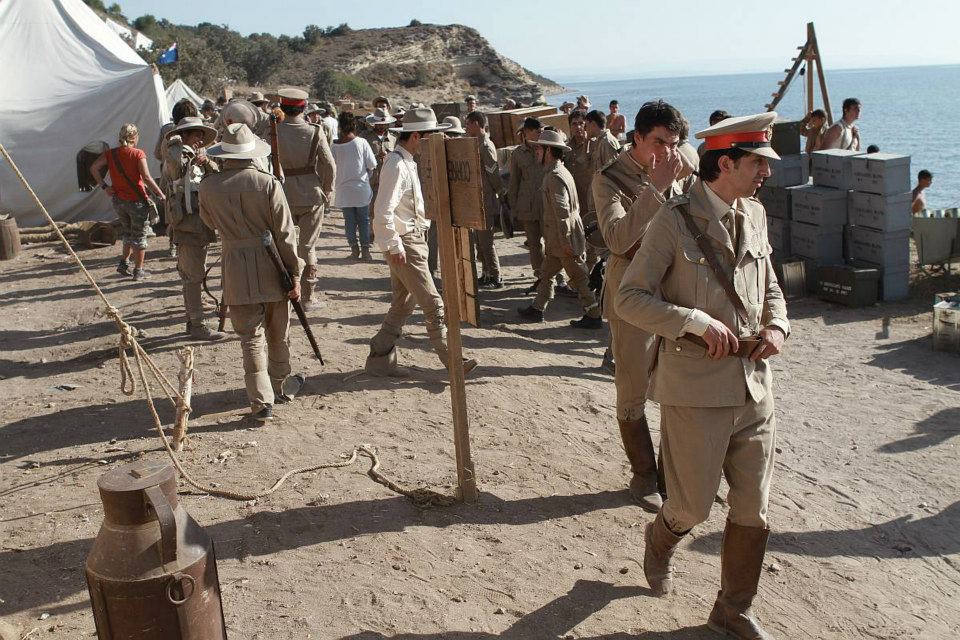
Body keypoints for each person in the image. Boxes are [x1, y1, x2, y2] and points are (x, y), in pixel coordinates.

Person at [617, 112, 790, 639]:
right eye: (758, 162)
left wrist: (778, 326)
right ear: (726, 161)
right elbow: (629, 298)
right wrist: (692, 320)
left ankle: (732, 610)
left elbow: (772, 289)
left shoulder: (756, 215)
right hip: (695, 390)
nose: (765, 172)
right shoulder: (673, 221)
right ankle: (661, 539)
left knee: (753, 511)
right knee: (691, 505)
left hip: (753, 386)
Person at [591, 100, 692, 512]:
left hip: (676, 287)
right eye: (660, 142)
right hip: (632, 289)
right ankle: (643, 475)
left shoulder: (679, 168)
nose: (669, 151)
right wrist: (656, 188)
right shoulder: (610, 179)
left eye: (675, 143)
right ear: (637, 138)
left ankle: (675, 477)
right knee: (632, 387)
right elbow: (616, 239)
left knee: (679, 384)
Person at [199, 123, 305, 423]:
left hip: (234, 265)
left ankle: (261, 402)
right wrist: (294, 271)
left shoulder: (208, 186)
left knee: (250, 338)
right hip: (271, 264)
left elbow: (209, 223)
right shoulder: (267, 183)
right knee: (278, 332)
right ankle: (281, 386)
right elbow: (285, 234)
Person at [364, 107, 478, 376]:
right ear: (416, 137)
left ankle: (379, 356)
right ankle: (454, 363)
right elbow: (382, 211)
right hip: (406, 242)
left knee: (403, 305)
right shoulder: (396, 165)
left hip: (411, 240)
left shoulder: (406, 162)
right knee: (433, 304)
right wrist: (394, 244)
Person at [516, 129, 602, 329]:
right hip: (558, 240)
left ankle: (594, 314)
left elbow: (562, 212)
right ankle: (537, 308)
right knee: (546, 274)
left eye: (539, 148)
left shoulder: (554, 176)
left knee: (579, 278)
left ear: (549, 151)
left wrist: (565, 242)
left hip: (563, 240)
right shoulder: (558, 171)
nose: (536, 151)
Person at [162, 116, 227, 340]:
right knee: (192, 277)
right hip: (188, 225)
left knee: (193, 275)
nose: (200, 139)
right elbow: (174, 165)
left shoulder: (199, 158)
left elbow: (216, 178)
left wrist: (206, 160)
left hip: (199, 225)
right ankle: (198, 325)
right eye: (196, 134)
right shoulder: (176, 155)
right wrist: (177, 144)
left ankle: (194, 322)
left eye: (201, 134)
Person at [275, 88, 336, 312]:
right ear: (303, 108)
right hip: (311, 193)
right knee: (308, 246)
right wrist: (328, 189)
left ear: (282, 107)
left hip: (281, 194)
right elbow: (329, 164)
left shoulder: (274, 131)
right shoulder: (314, 131)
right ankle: (308, 297)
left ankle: (285, 293)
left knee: (283, 245)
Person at [89, 123, 165, 281]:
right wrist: (160, 193)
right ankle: (139, 270)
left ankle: (124, 263)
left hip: (119, 201)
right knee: (139, 236)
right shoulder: (138, 154)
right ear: (134, 137)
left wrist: (104, 186)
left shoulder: (111, 154)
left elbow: (94, 167)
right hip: (136, 201)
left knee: (128, 233)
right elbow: (146, 177)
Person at [465, 110, 504, 288]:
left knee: (486, 242)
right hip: (478, 200)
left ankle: (495, 276)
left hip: (486, 200)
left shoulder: (485, 146)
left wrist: (500, 192)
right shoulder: (476, 144)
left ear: (476, 124)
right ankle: (486, 273)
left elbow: (493, 172)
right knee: (479, 243)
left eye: (468, 123)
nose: (466, 127)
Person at [332, 111, 377, 261]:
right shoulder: (361, 142)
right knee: (364, 220)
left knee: (349, 221)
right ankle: (366, 251)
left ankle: (354, 250)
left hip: (344, 190)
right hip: (361, 188)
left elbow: (331, 166)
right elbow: (372, 165)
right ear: (354, 125)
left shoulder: (334, 146)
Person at [507, 117, 545, 290]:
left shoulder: (547, 149)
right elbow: (514, 182)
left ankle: (555, 278)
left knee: (552, 244)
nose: (540, 134)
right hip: (528, 207)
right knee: (534, 245)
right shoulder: (517, 154)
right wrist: (513, 208)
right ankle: (540, 277)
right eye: (537, 131)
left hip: (547, 206)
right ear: (527, 132)